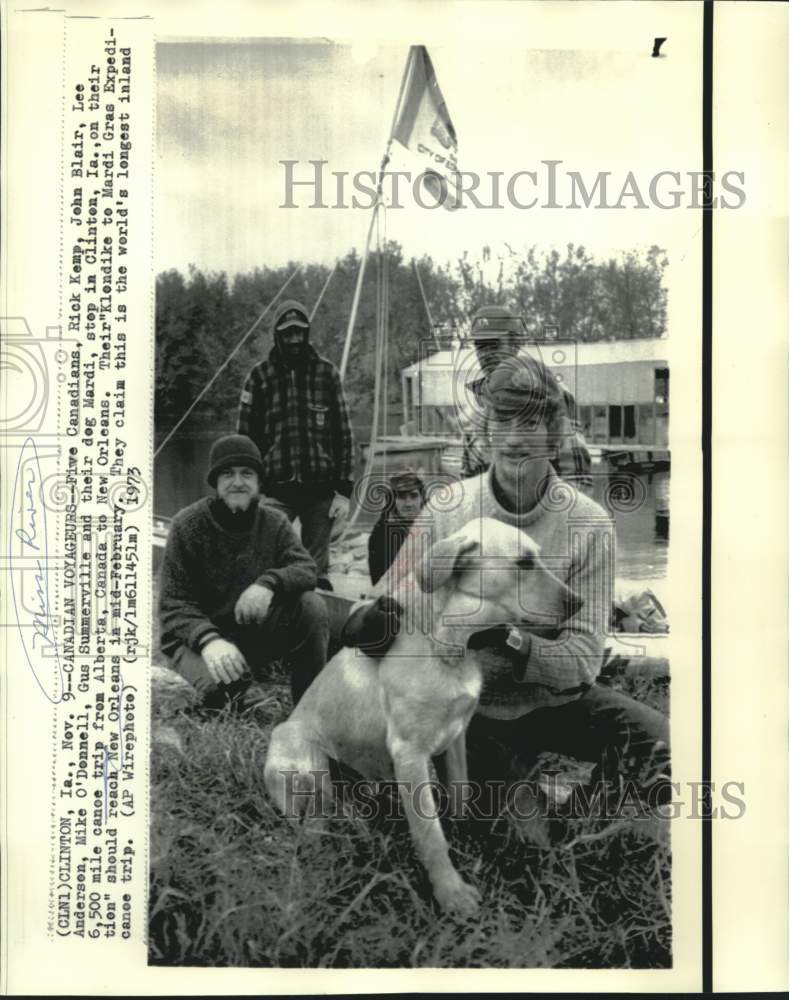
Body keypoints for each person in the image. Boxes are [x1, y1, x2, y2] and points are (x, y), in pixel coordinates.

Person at [343, 351, 669, 817]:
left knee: (671, 751)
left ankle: (584, 809)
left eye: (532, 424)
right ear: (486, 430)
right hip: (472, 714)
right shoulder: (446, 510)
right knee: (519, 839)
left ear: (554, 436)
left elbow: (582, 661)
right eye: (503, 421)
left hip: (559, 702)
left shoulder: (589, 525)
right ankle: (534, 815)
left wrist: (512, 642)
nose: (515, 438)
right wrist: (369, 623)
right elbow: (384, 604)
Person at [158, 433, 329, 710]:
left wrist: (269, 583)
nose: (238, 482)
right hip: (196, 641)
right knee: (224, 692)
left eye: (247, 474)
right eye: (227, 474)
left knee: (312, 605)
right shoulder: (187, 525)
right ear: (215, 482)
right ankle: (225, 685)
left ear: (259, 482)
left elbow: (306, 569)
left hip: (248, 632)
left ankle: (308, 709)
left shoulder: (275, 522)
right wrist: (209, 640)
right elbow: (172, 604)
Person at [238, 298, 354, 588]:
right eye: (288, 333)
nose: (294, 339)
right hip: (275, 490)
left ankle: (317, 619)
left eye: (299, 332)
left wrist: (343, 492)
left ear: (306, 333)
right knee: (263, 556)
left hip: (320, 491)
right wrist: (249, 489)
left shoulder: (326, 374)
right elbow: (244, 440)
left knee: (317, 572)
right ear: (278, 335)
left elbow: (344, 434)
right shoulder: (259, 377)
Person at [460, 305, 592, 491]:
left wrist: (557, 516)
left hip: (541, 509)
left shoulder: (551, 393)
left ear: (515, 345)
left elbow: (577, 475)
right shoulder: (475, 404)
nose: (486, 355)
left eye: (494, 345)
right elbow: (468, 473)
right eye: (480, 347)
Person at [367, 468, 427, 586]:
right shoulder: (380, 536)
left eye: (413, 496)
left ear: (422, 498)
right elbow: (381, 582)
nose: (408, 504)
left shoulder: (435, 524)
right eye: (402, 497)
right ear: (393, 500)